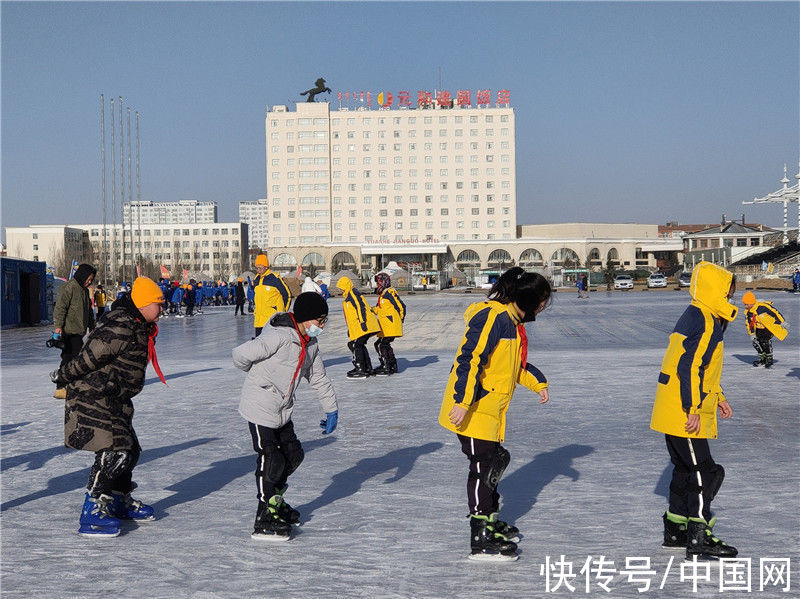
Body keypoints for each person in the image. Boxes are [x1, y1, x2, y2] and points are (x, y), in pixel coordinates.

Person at [438, 267, 552, 561]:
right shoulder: (493, 318)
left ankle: (489, 520)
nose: (542, 307)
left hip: (489, 410)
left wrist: (538, 383)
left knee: (493, 462)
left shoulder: (512, 323)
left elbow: (514, 367)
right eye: (540, 301)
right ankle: (480, 534)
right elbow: (469, 359)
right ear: (525, 299)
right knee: (484, 467)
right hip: (472, 408)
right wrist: (462, 402)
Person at [50, 276, 166, 537]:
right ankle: (93, 508)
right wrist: (63, 375)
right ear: (144, 304)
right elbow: (90, 356)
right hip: (94, 394)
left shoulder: (137, 324)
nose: (162, 309)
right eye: (158, 304)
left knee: (131, 450)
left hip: (114, 396)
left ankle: (117, 500)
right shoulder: (120, 326)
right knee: (115, 451)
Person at [232, 292, 338, 541]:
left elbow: (319, 377)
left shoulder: (310, 344)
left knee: (294, 455)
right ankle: (264, 516)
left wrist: (331, 408)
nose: (321, 326)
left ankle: (275, 502)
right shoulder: (278, 336)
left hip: (282, 409)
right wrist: (259, 377)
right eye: (319, 320)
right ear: (304, 318)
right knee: (272, 459)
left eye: (324, 321)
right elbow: (240, 355)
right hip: (260, 405)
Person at [650, 261, 738, 560]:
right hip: (684, 407)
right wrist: (693, 408)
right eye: (728, 293)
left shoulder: (694, 313)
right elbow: (690, 367)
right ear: (716, 291)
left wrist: (719, 395)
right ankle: (699, 535)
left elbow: (701, 368)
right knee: (705, 471)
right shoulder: (706, 319)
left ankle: (676, 529)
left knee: (685, 468)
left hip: (671, 403)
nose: (730, 299)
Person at [51, 264, 96, 399]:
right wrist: (58, 327)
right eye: (88, 278)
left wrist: (91, 326)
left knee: (71, 357)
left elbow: (88, 312)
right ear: (82, 275)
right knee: (71, 356)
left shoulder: (83, 290)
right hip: (68, 330)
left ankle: (67, 383)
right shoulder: (69, 287)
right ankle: (61, 386)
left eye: (91, 279)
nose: (89, 281)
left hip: (78, 331)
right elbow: (60, 308)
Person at [336, 276, 381, 379]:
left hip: (365, 324)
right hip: (360, 325)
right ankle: (367, 367)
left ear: (346, 286)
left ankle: (360, 368)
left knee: (356, 345)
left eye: (341, 287)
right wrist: (350, 329)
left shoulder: (352, 294)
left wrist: (362, 322)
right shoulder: (348, 296)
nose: (340, 289)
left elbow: (360, 307)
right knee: (358, 344)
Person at [371, 273, 406, 375]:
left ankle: (386, 366)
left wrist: (400, 319)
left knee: (380, 344)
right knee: (384, 344)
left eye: (378, 283)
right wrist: (371, 310)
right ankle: (392, 365)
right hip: (386, 326)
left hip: (390, 326)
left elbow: (401, 306)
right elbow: (380, 309)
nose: (377, 286)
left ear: (383, 282)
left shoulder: (389, 293)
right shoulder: (383, 295)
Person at [742, 291, 787, 368]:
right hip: (758, 329)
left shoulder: (762, 307)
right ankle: (762, 357)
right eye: (745, 304)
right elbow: (749, 324)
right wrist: (752, 333)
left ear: (752, 302)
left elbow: (775, 312)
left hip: (768, 328)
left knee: (765, 341)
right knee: (756, 343)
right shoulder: (748, 313)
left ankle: (769, 358)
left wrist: (782, 322)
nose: (746, 306)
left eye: (747, 304)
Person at [252, 254, 292, 337]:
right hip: (259, 320)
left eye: (260, 268)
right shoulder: (256, 279)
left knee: (272, 346)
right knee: (260, 346)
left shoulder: (274, 278)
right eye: (257, 268)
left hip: (272, 320)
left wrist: (282, 312)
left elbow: (287, 295)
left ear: (266, 267)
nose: (258, 270)